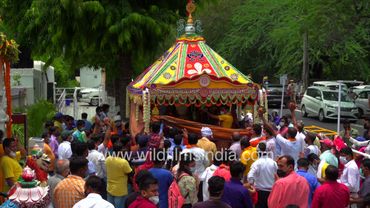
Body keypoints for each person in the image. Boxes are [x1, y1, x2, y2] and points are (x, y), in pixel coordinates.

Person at [247, 142, 277, 208]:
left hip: (260, 193)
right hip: (271, 192)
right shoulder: (273, 162)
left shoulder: (256, 163)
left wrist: (252, 185)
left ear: (257, 152)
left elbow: (250, 176)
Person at [105, 141, 133, 208]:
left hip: (109, 188)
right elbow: (130, 173)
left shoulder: (108, 159)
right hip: (120, 190)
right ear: (121, 150)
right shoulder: (123, 162)